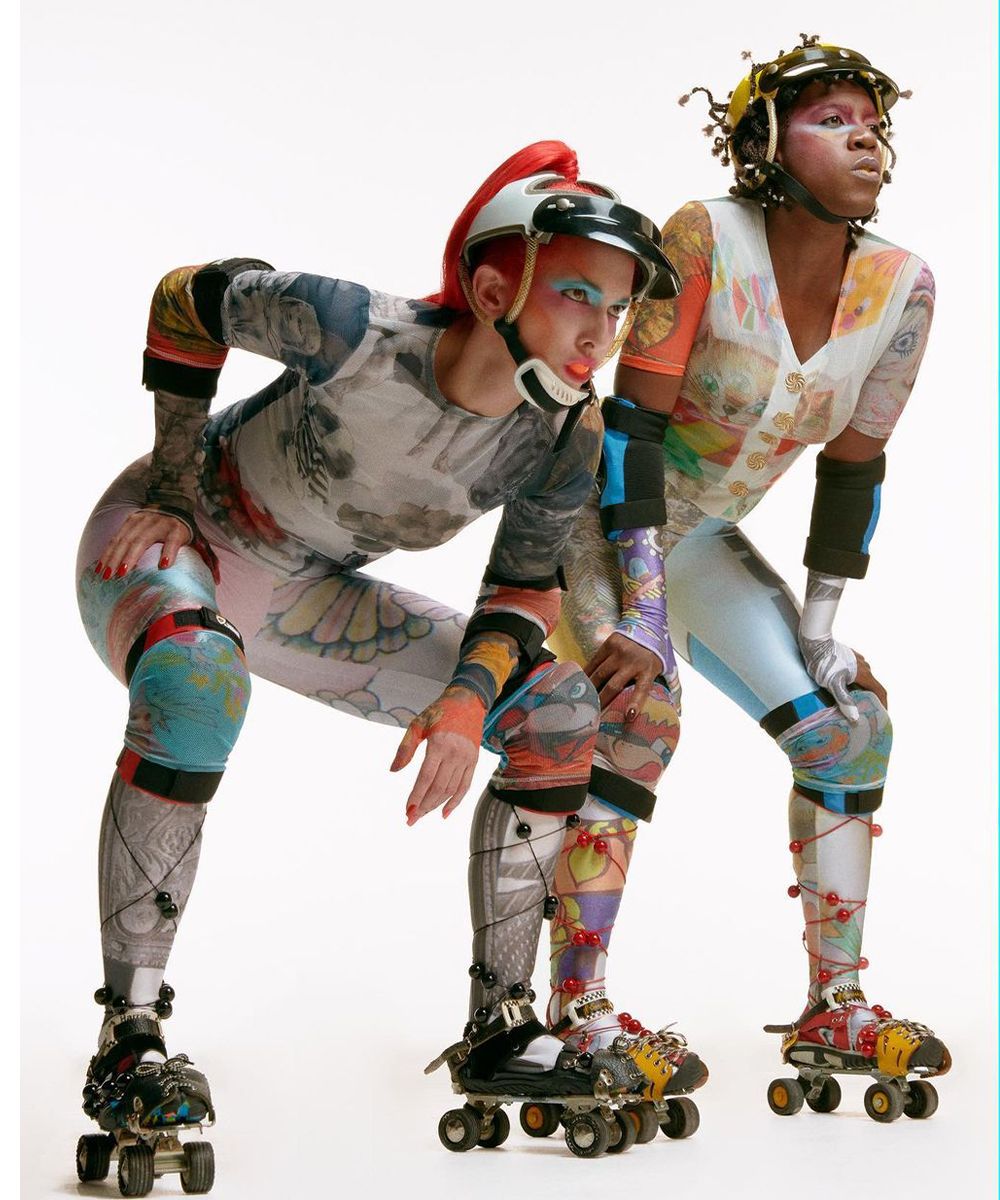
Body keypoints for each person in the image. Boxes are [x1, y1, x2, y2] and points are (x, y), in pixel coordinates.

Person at [73, 140, 683, 1181]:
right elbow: (185, 299)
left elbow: (524, 587)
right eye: (577, 294)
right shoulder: (351, 328)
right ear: (492, 288)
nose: (601, 332)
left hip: (301, 591)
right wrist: (174, 483)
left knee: (558, 709)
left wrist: (467, 701)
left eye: (618, 308)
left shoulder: (562, 434)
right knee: (198, 679)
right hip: (169, 542)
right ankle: (128, 1038)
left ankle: (502, 1026)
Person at [546, 38, 949, 1111]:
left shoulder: (901, 287)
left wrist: (821, 626)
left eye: (873, 122)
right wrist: (639, 614)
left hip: (701, 533)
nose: (864, 139)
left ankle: (836, 1005)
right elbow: (629, 431)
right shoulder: (705, 236)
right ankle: (577, 1006)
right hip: (594, 516)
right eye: (830, 119)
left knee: (848, 726)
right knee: (639, 710)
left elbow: (855, 466)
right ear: (766, 141)